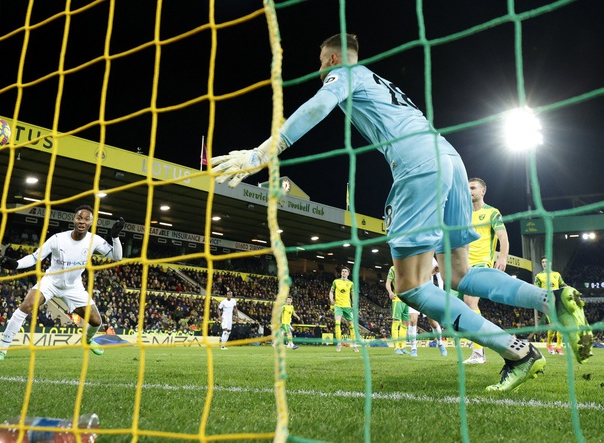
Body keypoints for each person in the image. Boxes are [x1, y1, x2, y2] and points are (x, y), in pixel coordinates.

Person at [211, 33, 593, 391]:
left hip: (419, 168)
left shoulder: (343, 75)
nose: (320, 72)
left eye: (320, 65)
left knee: (412, 287)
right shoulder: (375, 80)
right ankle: (552, 299)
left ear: (330, 59)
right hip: (451, 160)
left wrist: (261, 154)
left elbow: (317, 107)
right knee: (459, 274)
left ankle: (518, 352)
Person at [0, 205, 124, 361]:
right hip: (50, 282)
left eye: (86, 219)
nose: (82, 221)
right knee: (26, 306)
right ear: (73, 219)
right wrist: (16, 264)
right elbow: (35, 258)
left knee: (96, 321)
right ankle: (2, 350)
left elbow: (117, 257)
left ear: (91, 222)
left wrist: (115, 237)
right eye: (79, 218)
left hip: (74, 287)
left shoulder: (94, 240)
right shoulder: (57, 239)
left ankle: (87, 340)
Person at [462, 177, 510, 365]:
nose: (469, 191)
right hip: (462, 264)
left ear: (483, 191)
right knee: (459, 307)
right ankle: (482, 341)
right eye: (467, 188)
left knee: (469, 301)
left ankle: (479, 351)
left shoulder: (492, 213)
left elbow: (503, 237)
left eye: (473, 188)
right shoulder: (463, 214)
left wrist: (503, 257)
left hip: (481, 263)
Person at [407, 258, 448, 357]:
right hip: (413, 292)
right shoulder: (409, 256)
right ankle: (413, 348)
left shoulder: (429, 256)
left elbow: (438, 272)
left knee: (433, 322)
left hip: (427, 292)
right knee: (412, 320)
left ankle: (440, 344)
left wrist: (441, 292)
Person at [534, 256, 567, 355]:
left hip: (558, 301)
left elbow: (562, 284)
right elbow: (536, 289)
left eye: (546, 262)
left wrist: (570, 288)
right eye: (543, 262)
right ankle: (549, 344)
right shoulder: (539, 276)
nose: (544, 264)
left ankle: (558, 346)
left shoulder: (556, 274)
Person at [328, 266, 359, 352]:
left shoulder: (351, 283)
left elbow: (353, 294)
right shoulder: (336, 281)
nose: (344, 272)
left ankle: (354, 345)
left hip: (347, 306)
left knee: (351, 325)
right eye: (342, 271)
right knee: (337, 323)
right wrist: (331, 299)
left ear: (348, 274)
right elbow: (331, 291)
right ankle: (339, 343)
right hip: (338, 305)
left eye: (345, 271)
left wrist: (354, 304)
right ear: (341, 273)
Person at [385, 265, 410, 355]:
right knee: (396, 322)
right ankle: (396, 347)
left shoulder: (408, 267)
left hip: (407, 299)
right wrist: (390, 292)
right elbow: (388, 282)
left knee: (405, 323)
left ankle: (402, 346)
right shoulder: (393, 268)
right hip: (397, 298)